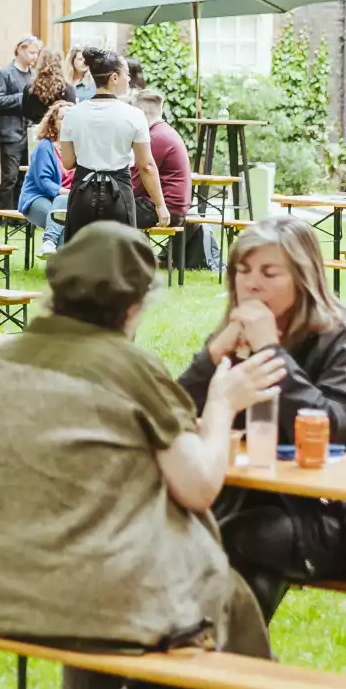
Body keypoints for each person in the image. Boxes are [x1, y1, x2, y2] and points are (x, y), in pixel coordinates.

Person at [0, 223, 279, 689]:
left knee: (95, 575)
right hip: (92, 591)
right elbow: (200, 486)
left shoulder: (2, 359)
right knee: (219, 592)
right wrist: (223, 405)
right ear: (133, 306)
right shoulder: (130, 369)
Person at [178, 217, 346, 622]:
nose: (250, 284)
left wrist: (272, 351)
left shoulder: (337, 337)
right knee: (176, 535)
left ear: (303, 280)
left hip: (324, 513)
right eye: (242, 270)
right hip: (244, 498)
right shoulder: (233, 338)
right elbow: (172, 415)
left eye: (269, 273)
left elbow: (335, 427)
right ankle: (189, 670)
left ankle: (204, 674)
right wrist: (211, 358)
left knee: (240, 541)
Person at [58, 46, 166, 240]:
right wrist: (160, 205)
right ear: (114, 78)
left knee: (81, 257)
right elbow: (147, 166)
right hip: (118, 196)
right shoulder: (134, 115)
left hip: (82, 192)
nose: (129, 79)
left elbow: (67, 162)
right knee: (120, 259)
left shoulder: (72, 114)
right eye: (126, 74)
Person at [0, 34, 41, 213]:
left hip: (31, 133)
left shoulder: (35, 75)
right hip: (11, 134)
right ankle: (5, 216)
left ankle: (20, 214)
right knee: (9, 177)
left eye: (37, 53)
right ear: (20, 49)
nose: (35, 56)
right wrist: (23, 97)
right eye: (32, 52)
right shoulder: (4, 73)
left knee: (25, 177)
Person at [17, 100, 74, 258]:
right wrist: (68, 192)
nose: (67, 121)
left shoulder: (80, 148)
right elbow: (44, 182)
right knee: (62, 221)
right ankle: (62, 270)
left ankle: (51, 251)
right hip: (37, 198)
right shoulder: (45, 146)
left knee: (64, 209)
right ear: (53, 123)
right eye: (62, 118)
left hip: (66, 200)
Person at [132, 88, 190, 232]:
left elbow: (136, 182)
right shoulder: (164, 131)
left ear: (139, 111)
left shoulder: (154, 138)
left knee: (103, 212)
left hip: (165, 210)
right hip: (173, 207)